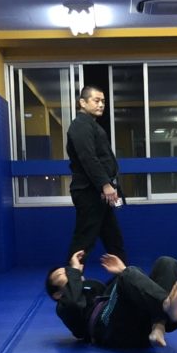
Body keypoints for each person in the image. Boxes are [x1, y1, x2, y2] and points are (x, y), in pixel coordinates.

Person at [46, 250, 177, 348]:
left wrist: (120, 271)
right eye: (61, 275)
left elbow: (118, 293)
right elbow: (73, 304)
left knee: (167, 262)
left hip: (135, 322)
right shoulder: (63, 307)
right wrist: (75, 271)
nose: (68, 272)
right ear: (57, 294)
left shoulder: (93, 288)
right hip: (110, 330)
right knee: (129, 272)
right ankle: (168, 311)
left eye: (67, 270)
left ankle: (159, 325)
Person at [66, 85, 126, 264]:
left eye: (103, 101)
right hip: (89, 193)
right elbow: (88, 158)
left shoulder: (91, 125)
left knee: (114, 239)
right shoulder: (80, 126)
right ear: (82, 103)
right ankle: (71, 279)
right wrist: (105, 185)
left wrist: (110, 186)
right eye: (96, 100)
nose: (101, 105)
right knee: (83, 241)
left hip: (99, 192)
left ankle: (124, 277)